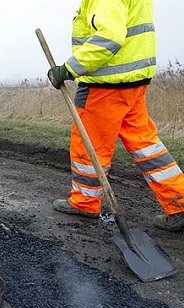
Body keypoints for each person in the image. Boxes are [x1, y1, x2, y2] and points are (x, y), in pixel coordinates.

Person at [47, 0, 184, 232]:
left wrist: (69, 69)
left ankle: (85, 202)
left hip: (105, 86)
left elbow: (110, 38)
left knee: (89, 144)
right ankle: (180, 201)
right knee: (146, 145)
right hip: (133, 81)